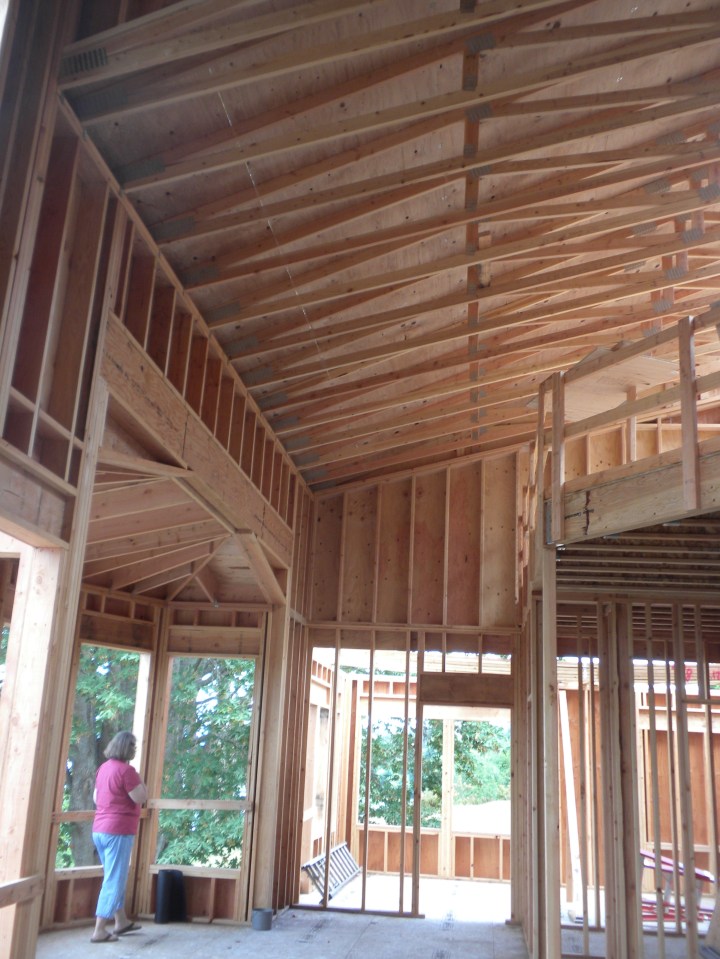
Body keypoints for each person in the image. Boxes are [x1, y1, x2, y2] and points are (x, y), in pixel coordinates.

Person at [90, 731, 148, 943]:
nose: (135, 749)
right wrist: (142, 783)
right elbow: (140, 797)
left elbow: (96, 798)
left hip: (99, 830)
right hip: (118, 831)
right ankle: (99, 930)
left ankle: (121, 921)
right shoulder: (127, 771)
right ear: (125, 748)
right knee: (114, 880)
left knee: (113, 876)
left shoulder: (103, 769)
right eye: (133, 746)